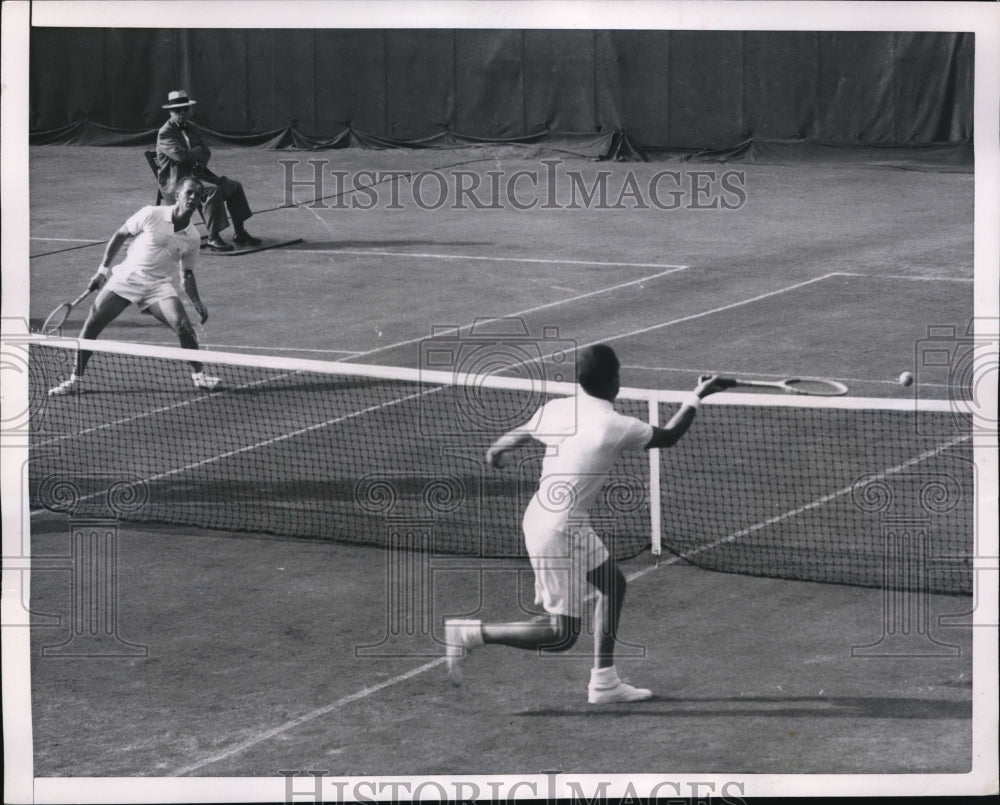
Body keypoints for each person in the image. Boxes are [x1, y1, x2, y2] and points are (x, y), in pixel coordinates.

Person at [444, 345, 733, 704]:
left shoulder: (558, 408)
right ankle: (470, 633)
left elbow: (517, 435)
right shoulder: (615, 425)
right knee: (561, 635)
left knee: (613, 585)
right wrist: (697, 395)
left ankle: (604, 682)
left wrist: (496, 451)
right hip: (559, 530)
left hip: (550, 517)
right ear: (615, 382)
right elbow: (669, 437)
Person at [48, 176, 220, 396]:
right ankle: (75, 380)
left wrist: (197, 302)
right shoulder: (151, 213)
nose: (194, 197)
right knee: (92, 323)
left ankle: (200, 376)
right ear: (178, 195)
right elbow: (121, 234)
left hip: (158, 286)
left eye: (198, 195)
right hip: (127, 278)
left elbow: (186, 273)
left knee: (183, 326)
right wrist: (102, 271)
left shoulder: (193, 237)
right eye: (190, 193)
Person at [155, 89, 261, 252]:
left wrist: (199, 162)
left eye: (185, 109)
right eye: (178, 110)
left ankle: (240, 233)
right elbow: (181, 156)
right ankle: (213, 238)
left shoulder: (191, 128)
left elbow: (206, 151)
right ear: (170, 112)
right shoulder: (165, 133)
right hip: (178, 182)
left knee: (234, 187)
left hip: (197, 175)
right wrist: (196, 152)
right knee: (212, 191)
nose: (182, 113)